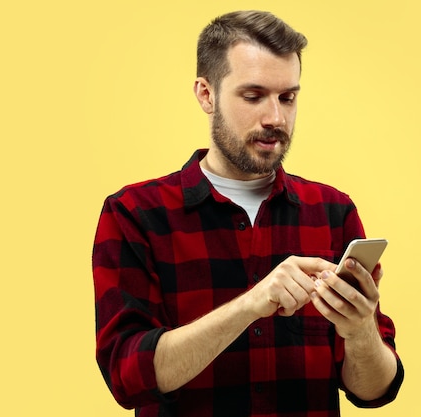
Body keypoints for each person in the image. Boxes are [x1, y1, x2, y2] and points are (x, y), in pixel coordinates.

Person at [93, 10, 404, 417]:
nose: (276, 118)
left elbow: (375, 391)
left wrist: (359, 330)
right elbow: (127, 376)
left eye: (288, 97)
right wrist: (251, 304)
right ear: (206, 94)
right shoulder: (134, 214)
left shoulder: (333, 211)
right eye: (253, 96)